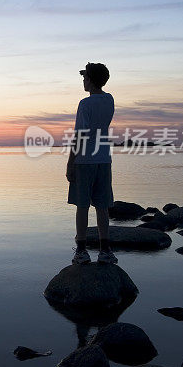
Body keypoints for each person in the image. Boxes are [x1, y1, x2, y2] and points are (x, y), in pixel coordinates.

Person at [66, 63, 117, 265]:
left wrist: (70, 163)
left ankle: (81, 250)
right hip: (103, 158)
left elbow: (79, 136)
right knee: (102, 206)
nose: (83, 80)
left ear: (91, 80)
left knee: (82, 205)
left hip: (85, 160)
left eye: (85, 77)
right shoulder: (110, 100)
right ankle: (105, 250)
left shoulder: (85, 104)